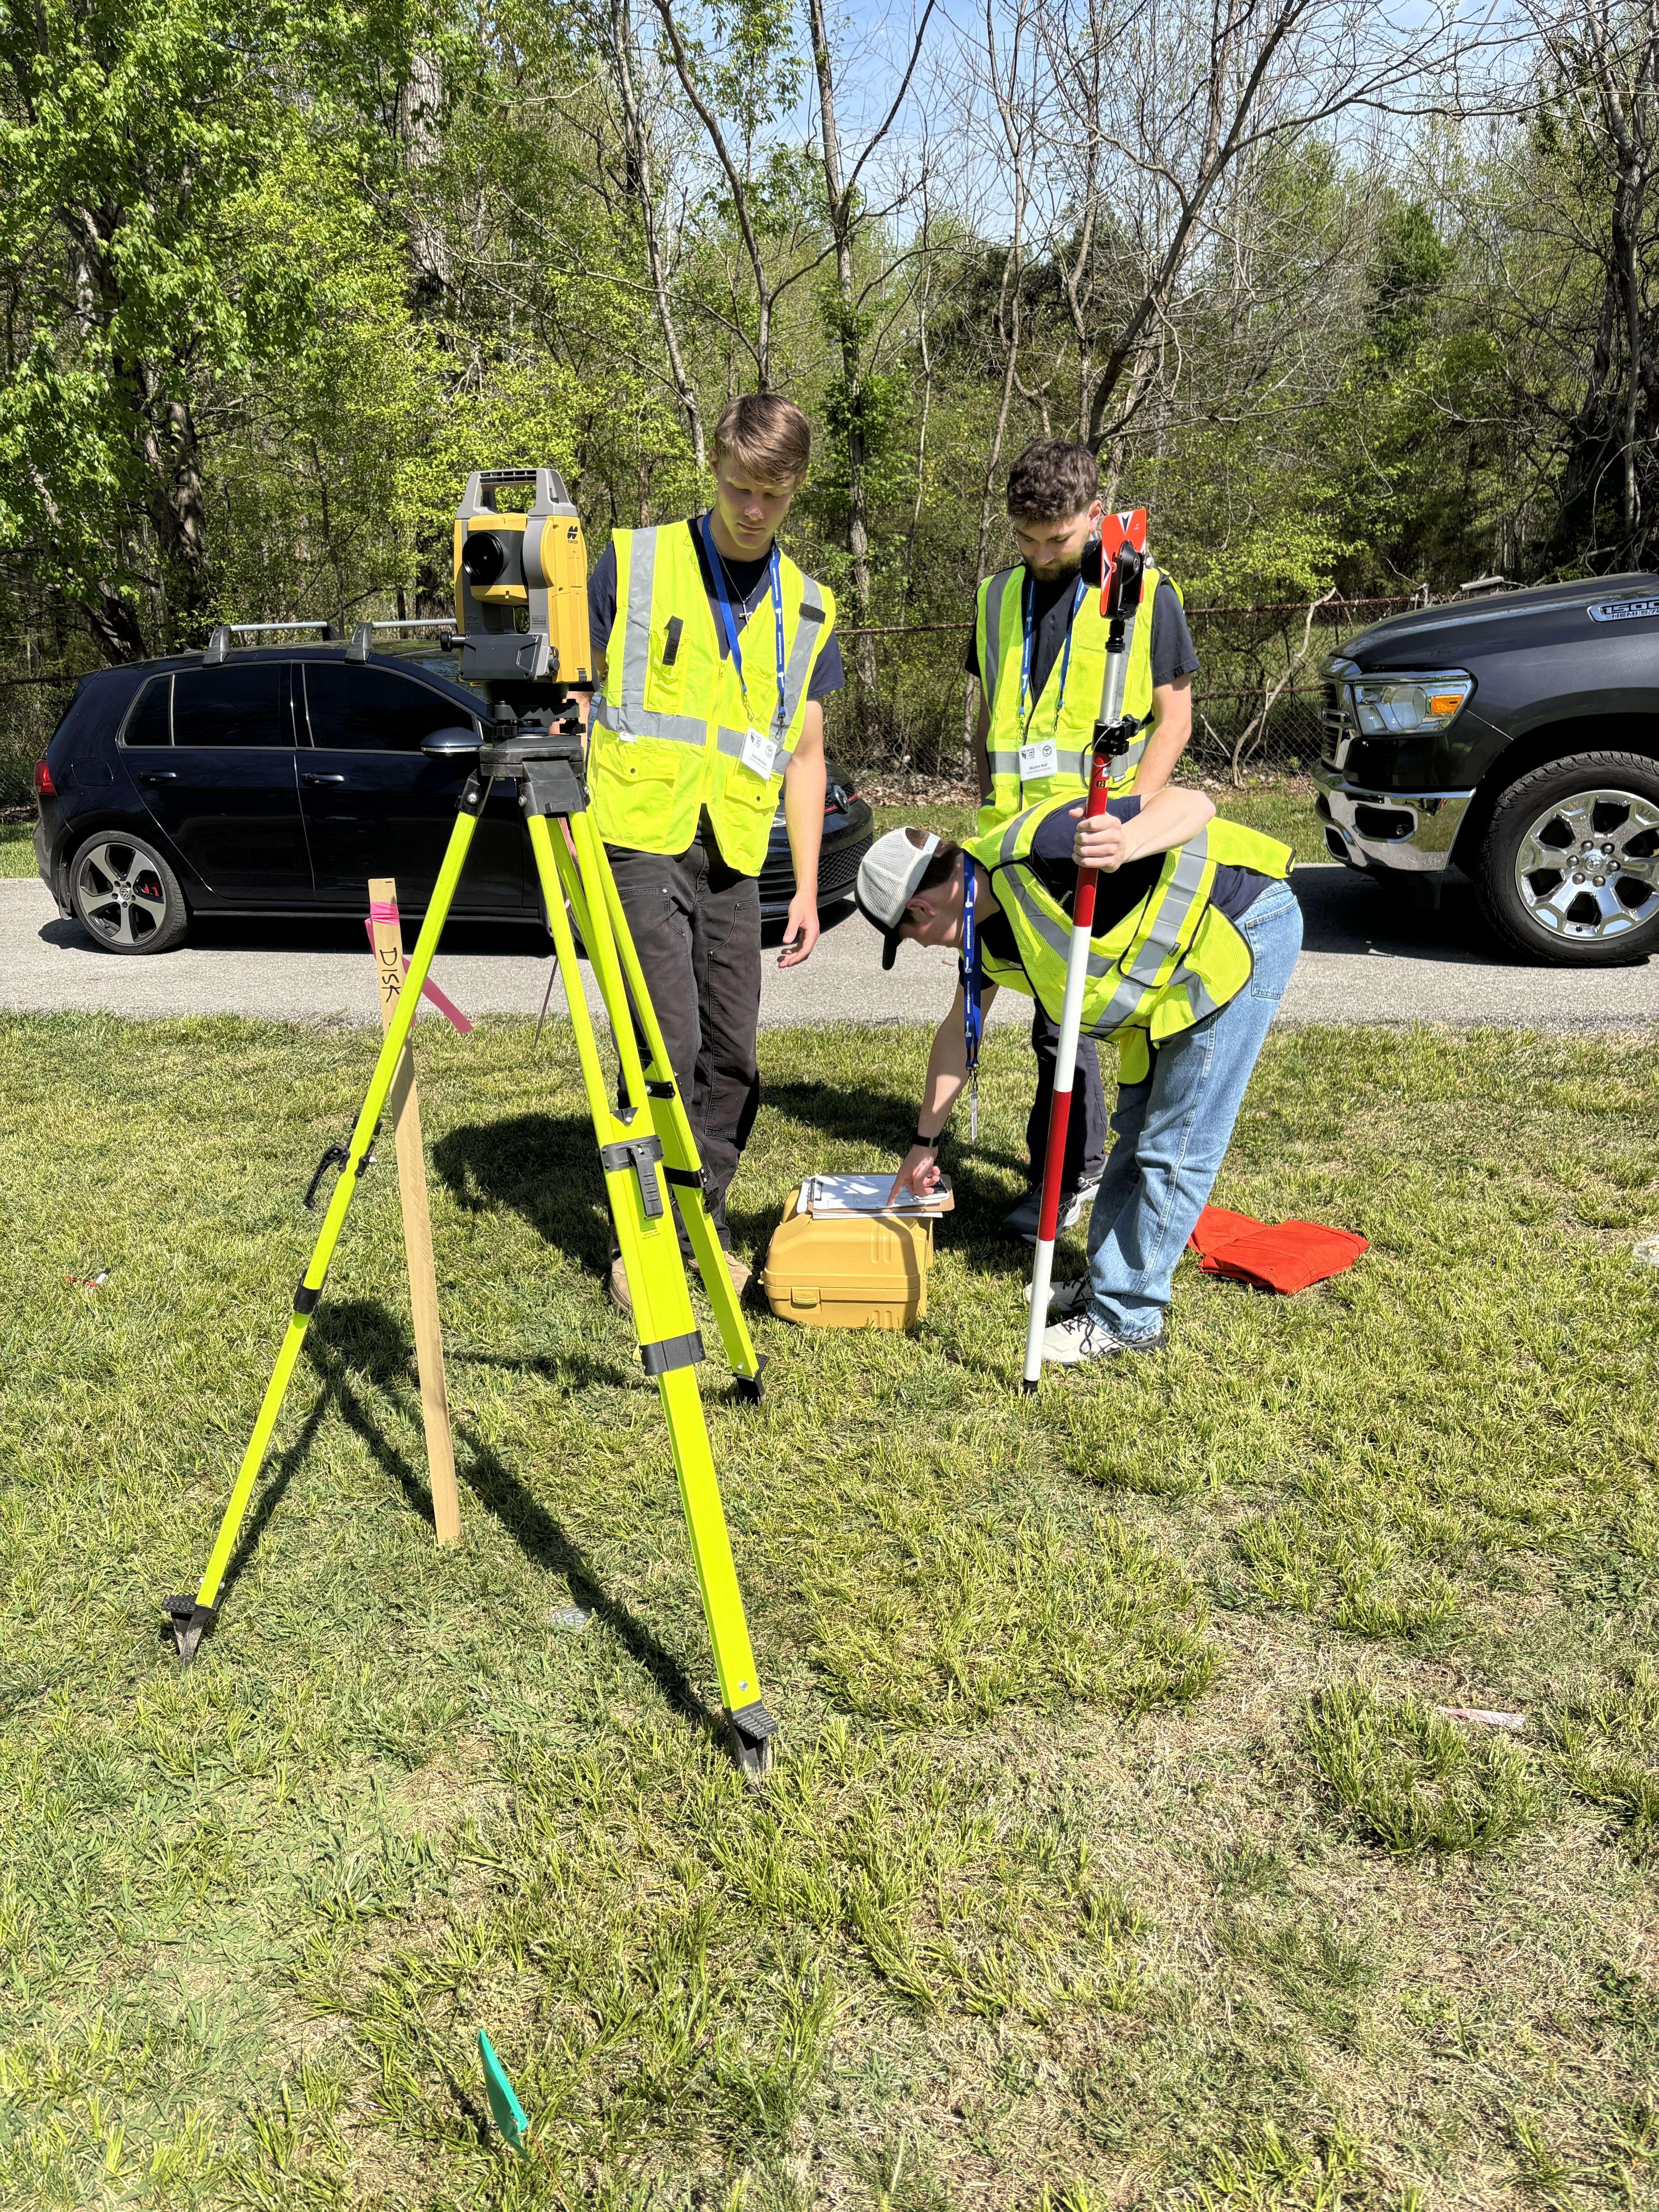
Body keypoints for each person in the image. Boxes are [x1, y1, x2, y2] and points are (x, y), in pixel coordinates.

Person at [853, 789, 1300, 1365]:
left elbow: (1194, 804)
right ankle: (1109, 1281)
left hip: (1235, 934)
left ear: (919, 910)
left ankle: (1127, 1319)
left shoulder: (1044, 846)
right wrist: (924, 1143)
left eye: (907, 937)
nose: (917, 944)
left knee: (1177, 1149)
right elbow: (958, 1035)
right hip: (1173, 980)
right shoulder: (981, 929)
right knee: (1135, 1142)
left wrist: (1127, 842)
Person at [584, 394, 843, 1311]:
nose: (752, 510)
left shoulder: (808, 607)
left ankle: (706, 1218)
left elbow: (805, 757)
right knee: (666, 1045)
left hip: (733, 852)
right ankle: (644, 1240)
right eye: (738, 488)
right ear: (714, 468)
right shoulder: (633, 562)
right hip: (635, 837)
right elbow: (571, 699)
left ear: (796, 489)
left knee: (731, 1056)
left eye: (773, 495)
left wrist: (806, 888)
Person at [967, 439, 1199, 1242]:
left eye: (1057, 540)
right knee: (1020, 1001)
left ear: (1095, 516)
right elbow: (993, 717)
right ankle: (1073, 1167)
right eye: (1025, 539)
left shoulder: (1143, 593)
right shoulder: (995, 598)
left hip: (1100, 839)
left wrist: (1131, 816)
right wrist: (986, 813)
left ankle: (1070, 1175)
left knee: (1068, 1019)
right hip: (1012, 842)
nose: (1039, 555)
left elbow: (1175, 719)